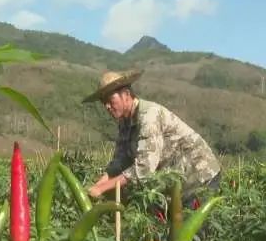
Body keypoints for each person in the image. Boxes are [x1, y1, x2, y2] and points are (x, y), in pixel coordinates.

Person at [84, 69, 222, 205]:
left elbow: (144, 169)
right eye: (104, 102)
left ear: (126, 94)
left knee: (194, 226)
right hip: (177, 183)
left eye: (110, 100)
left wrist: (102, 188)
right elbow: (121, 159)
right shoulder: (125, 123)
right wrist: (101, 182)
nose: (107, 106)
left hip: (200, 177)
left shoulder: (149, 117)